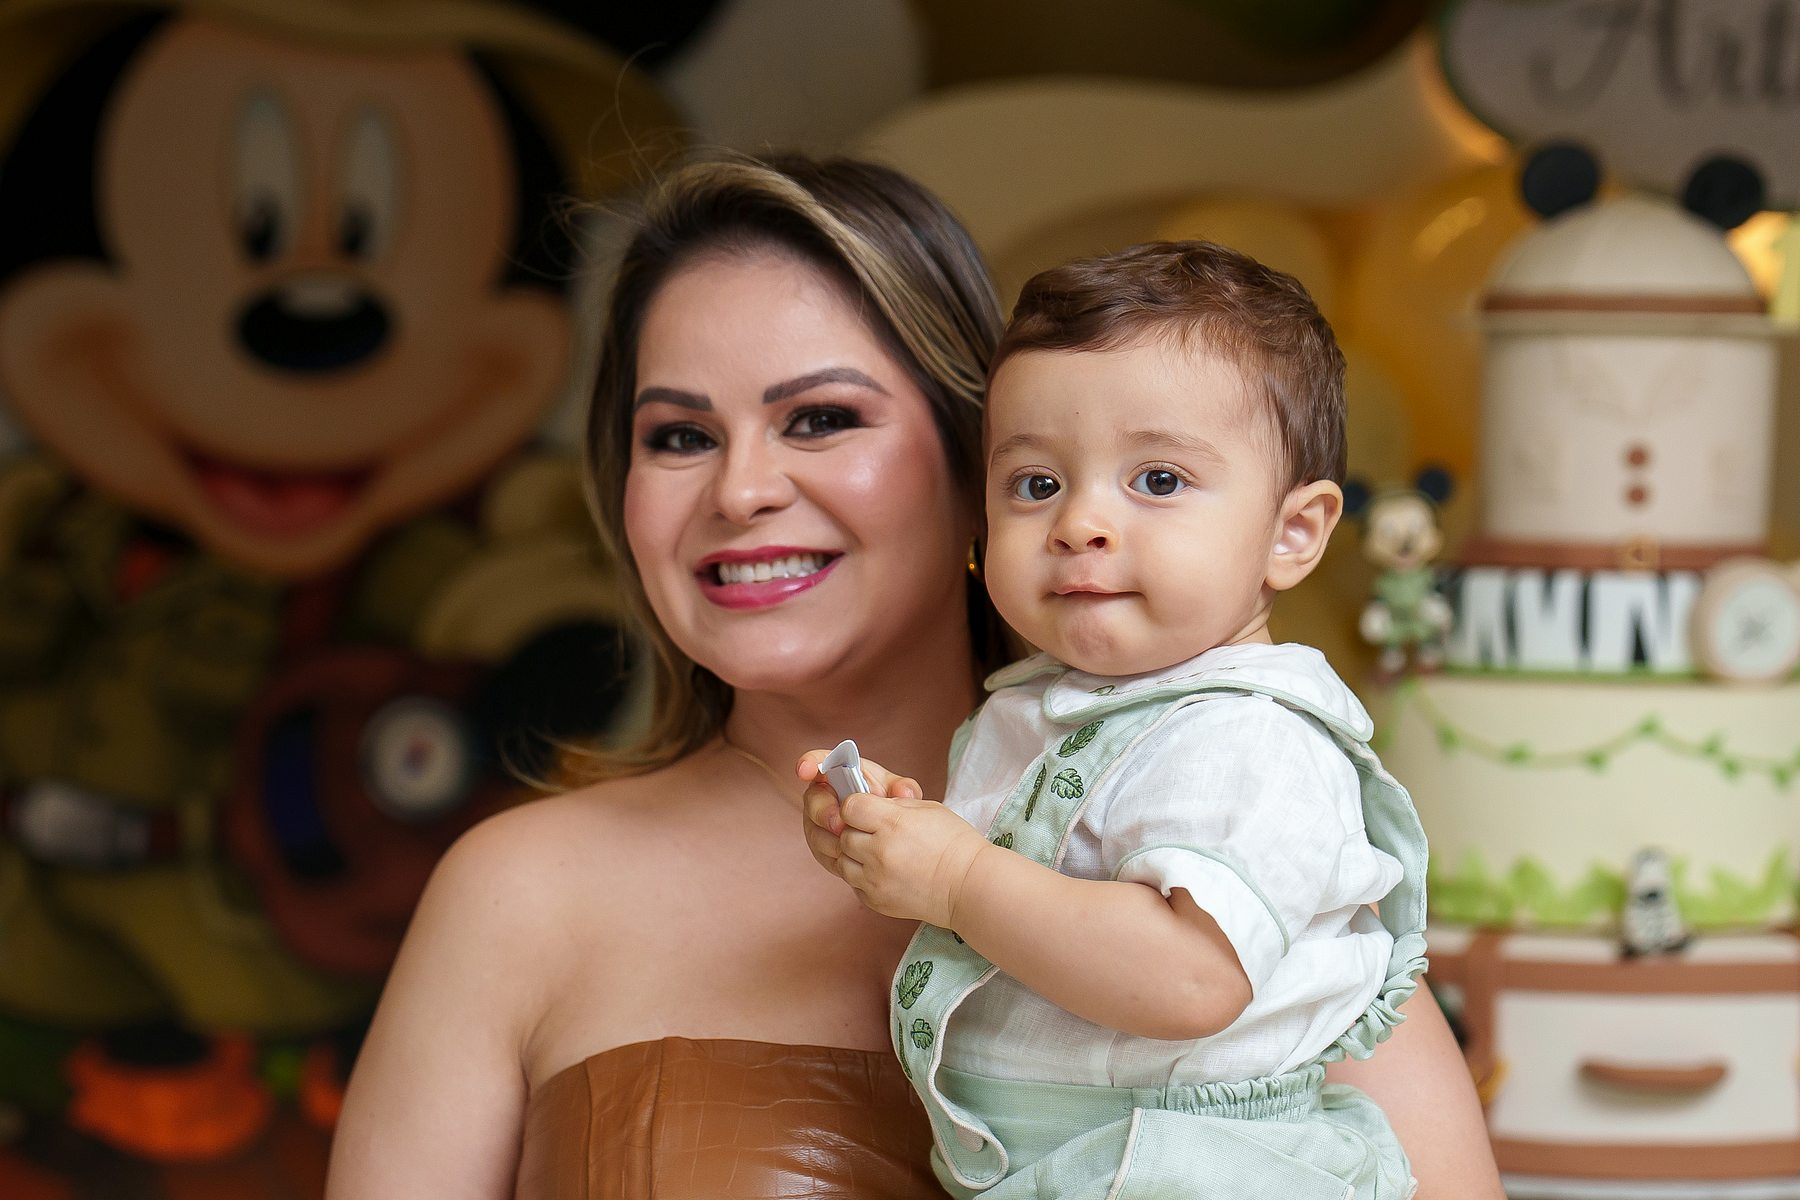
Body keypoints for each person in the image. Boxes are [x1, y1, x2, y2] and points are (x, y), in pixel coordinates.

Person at [326, 155, 1502, 1200]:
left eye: (820, 419)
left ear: (970, 463)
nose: (740, 490)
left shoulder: (1249, 823)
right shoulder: (519, 894)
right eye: (679, 435)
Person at [800, 240, 1425, 1198]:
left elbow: (1190, 977)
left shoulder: (1251, 736)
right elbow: (1032, 895)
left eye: (1158, 481)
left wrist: (960, 878)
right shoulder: (1040, 706)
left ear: (1292, 533)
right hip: (1078, 1160)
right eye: (1036, 484)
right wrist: (898, 836)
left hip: (1195, 1167)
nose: (1078, 523)